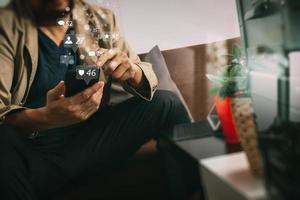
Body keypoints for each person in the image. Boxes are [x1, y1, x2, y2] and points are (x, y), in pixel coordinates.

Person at [0, 0, 190, 199]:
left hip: (89, 140)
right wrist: (47, 117)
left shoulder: (100, 20)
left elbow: (142, 72)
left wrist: (131, 71)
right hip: (33, 152)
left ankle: (196, 190)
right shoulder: (7, 26)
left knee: (168, 104)